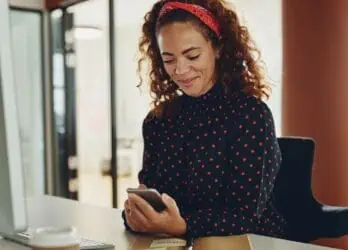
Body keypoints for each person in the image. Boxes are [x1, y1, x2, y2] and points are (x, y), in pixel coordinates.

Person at [122, 0, 287, 242]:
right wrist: (137, 214)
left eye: (192, 55)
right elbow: (151, 194)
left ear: (218, 48)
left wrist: (183, 225)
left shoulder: (251, 115)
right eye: (168, 59)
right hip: (177, 241)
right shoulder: (157, 121)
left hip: (250, 242)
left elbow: (245, 215)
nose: (180, 70)